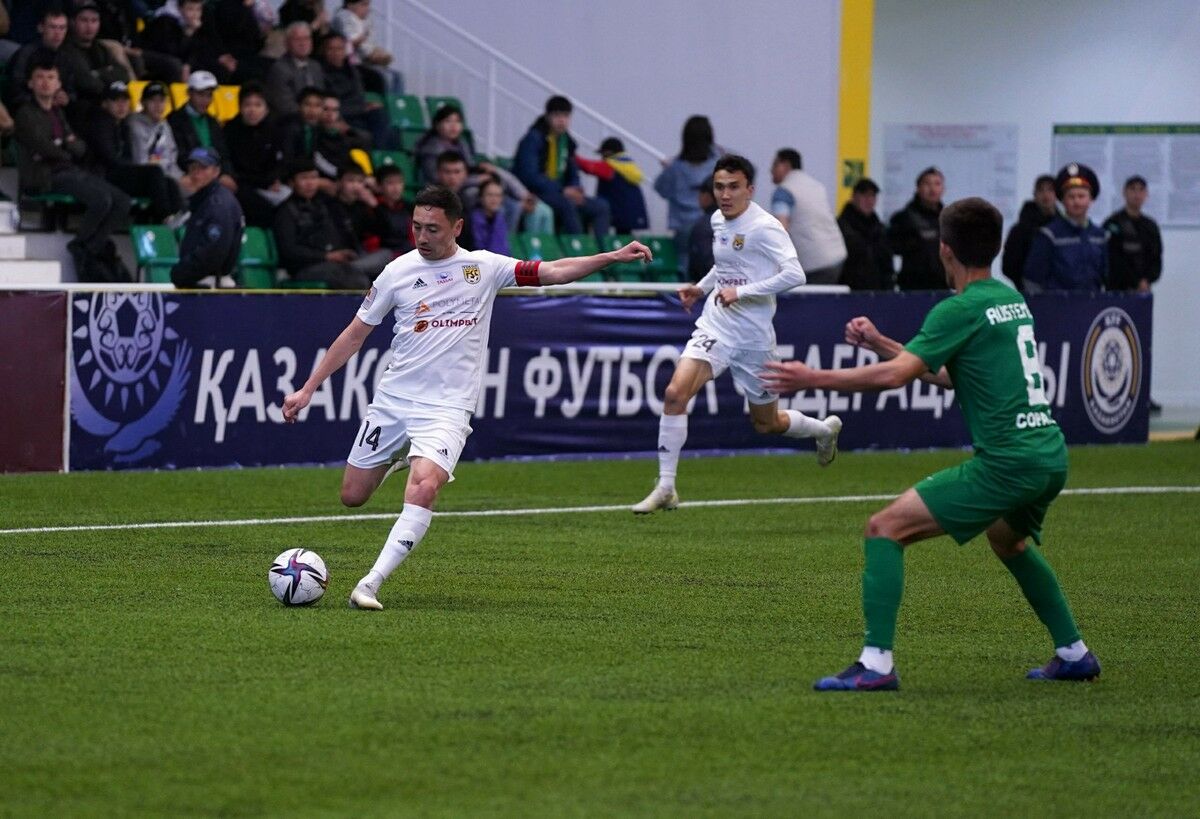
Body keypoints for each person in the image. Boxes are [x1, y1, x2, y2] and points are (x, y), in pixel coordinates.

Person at [762, 196, 1100, 691]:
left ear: (945, 250)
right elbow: (949, 374)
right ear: (996, 246)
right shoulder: (1009, 300)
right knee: (1007, 539)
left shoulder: (958, 308)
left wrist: (812, 377)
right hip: (1048, 455)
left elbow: (897, 378)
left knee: (884, 529)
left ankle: (876, 665)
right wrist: (882, 343)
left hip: (1007, 463)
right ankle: (1074, 653)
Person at [280, 184, 652, 610]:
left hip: (448, 408)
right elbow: (354, 335)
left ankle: (370, 583)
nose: (422, 236)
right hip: (394, 401)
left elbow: (553, 270)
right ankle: (403, 457)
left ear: (457, 227)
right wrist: (308, 388)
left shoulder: (484, 267)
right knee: (352, 496)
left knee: (425, 486)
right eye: (417, 226)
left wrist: (610, 257)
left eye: (432, 229)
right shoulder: (396, 272)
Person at [631, 155, 841, 514]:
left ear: (750, 189)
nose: (725, 195)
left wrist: (742, 292)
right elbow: (727, 265)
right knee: (675, 393)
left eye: (733, 187)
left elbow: (795, 274)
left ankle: (823, 431)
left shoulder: (765, 226)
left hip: (754, 338)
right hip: (716, 325)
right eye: (719, 187)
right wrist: (700, 288)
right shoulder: (718, 219)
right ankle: (665, 486)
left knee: (767, 424)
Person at [14, 59, 131, 282]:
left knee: (122, 201)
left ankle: (89, 247)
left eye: (50, 78)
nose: (45, 82)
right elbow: (43, 146)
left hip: (68, 170)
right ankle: (81, 245)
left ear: (58, 83)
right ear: (30, 83)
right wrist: (64, 146)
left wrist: (63, 145)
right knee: (101, 199)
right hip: (45, 175)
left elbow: (80, 147)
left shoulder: (58, 112)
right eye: (40, 77)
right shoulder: (25, 113)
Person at [273, 158, 387, 288]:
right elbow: (289, 251)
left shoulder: (324, 204)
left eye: (314, 178)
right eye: (304, 178)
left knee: (386, 259)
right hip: (307, 268)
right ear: (292, 182)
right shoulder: (285, 211)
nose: (310, 183)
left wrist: (342, 253)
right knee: (355, 278)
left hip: (337, 262)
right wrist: (327, 256)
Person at [82, 80, 184, 223]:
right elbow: (110, 158)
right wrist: (133, 168)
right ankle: (165, 217)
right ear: (105, 104)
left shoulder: (122, 124)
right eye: (116, 101)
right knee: (154, 172)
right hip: (103, 176)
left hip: (118, 173)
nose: (121, 105)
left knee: (168, 182)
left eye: (125, 100)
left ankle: (179, 216)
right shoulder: (101, 124)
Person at [513, 95, 611, 244]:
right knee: (567, 204)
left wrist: (576, 188)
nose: (562, 120)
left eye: (566, 116)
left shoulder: (567, 142)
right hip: (537, 192)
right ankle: (580, 250)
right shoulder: (533, 139)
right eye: (557, 115)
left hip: (561, 192)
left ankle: (603, 251)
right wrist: (562, 190)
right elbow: (529, 176)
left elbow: (573, 171)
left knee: (601, 206)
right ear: (548, 117)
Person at [1023, 163, 1106, 293]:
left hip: (1092, 304)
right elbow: (1032, 280)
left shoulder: (1100, 236)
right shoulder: (1049, 235)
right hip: (1057, 304)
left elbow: (1106, 277)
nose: (1076, 202)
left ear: (1090, 199)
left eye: (1081, 196)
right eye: (1071, 196)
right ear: (1062, 200)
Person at [654, 115, 720, 277]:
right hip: (711, 223)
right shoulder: (717, 165)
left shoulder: (675, 168)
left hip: (683, 226)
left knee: (685, 265)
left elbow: (660, 189)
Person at [769, 148, 847, 284]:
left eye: (775, 164)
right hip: (838, 256)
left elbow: (781, 230)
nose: (771, 170)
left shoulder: (784, 192)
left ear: (785, 165)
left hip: (815, 263)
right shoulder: (816, 186)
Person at [170, 147, 244, 289]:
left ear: (216, 171)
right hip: (204, 282)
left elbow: (213, 252)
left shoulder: (217, 204)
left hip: (209, 285)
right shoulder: (204, 201)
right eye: (193, 167)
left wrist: (181, 273)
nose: (196, 173)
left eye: (203, 168)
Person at [223, 81, 289, 227]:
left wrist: (276, 179)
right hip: (242, 185)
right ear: (240, 107)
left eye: (258, 105)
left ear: (266, 109)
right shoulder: (230, 130)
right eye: (247, 105)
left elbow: (281, 163)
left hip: (268, 185)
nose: (252, 110)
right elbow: (231, 165)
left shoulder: (274, 130)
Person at [317, 29, 393, 149]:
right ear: (324, 51)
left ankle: (379, 155)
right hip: (342, 116)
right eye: (331, 49)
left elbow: (358, 96)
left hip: (359, 114)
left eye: (340, 49)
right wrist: (362, 108)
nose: (336, 53)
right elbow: (328, 104)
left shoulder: (353, 71)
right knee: (364, 133)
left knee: (380, 116)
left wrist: (366, 106)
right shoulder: (320, 73)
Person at [58, 0, 130, 125]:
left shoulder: (101, 48)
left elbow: (124, 74)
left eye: (94, 21)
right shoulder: (67, 50)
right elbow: (88, 83)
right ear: (73, 22)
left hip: (109, 105)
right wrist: (108, 73)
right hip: (84, 112)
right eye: (84, 20)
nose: (89, 26)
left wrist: (97, 73)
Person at [167, 70, 236, 191]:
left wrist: (226, 174)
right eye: (200, 95)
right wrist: (207, 172)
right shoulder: (175, 120)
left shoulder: (212, 121)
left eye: (209, 95)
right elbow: (181, 156)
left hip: (214, 175)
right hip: (192, 176)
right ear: (189, 93)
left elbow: (223, 153)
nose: (205, 100)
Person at [6, 8, 75, 113]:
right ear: (41, 28)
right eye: (52, 27)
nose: (57, 33)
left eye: (62, 28)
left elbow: (72, 90)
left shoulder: (66, 56)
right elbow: (14, 91)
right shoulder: (26, 54)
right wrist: (42, 100)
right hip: (27, 110)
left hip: (58, 110)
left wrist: (67, 98)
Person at [888, 166, 946, 290]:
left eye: (937, 184)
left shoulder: (948, 219)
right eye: (927, 184)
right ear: (918, 188)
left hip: (942, 287)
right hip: (913, 287)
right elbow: (892, 248)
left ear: (943, 189)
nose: (932, 189)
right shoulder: (903, 218)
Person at [576, 137, 649, 235]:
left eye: (602, 154)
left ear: (608, 152)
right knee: (625, 237)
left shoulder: (611, 166)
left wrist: (571, 155)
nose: (601, 158)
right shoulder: (629, 165)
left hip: (618, 211)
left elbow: (587, 166)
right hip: (631, 212)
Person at [1103, 175, 1162, 293]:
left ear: (1146, 194)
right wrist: (1135, 281)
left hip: (1143, 289)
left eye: (1141, 190)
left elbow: (1156, 258)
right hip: (1117, 289)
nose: (1137, 194)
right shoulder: (1113, 223)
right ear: (1124, 193)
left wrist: (1147, 280)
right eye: (1133, 189)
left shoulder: (1150, 226)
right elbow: (1112, 258)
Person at [331, 0, 402, 95]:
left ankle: (398, 103)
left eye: (368, 5)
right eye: (364, 5)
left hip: (364, 61)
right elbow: (353, 41)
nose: (368, 8)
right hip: (351, 64)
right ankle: (387, 103)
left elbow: (370, 44)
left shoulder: (364, 20)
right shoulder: (343, 16)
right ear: (350, 5)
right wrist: (375, 55)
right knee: (386, 77)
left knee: (398, 76)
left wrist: (379, 53)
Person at [1001, 175, 1057, 292]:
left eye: (1050, 190)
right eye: (1041, 190)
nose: (1046, 195)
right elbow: (1009, 265)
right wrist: (1024, 284)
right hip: (1029, 293)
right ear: (1035, 195)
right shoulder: (1020, 230)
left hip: (1061, 294)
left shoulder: (1064, 228)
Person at [127, 81, 186, 193]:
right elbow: (142, 163)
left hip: (169, 175)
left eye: (161, 101)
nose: (158, 105)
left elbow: (172, 157)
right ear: (143, 102)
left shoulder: (164, 124)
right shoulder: (135, 125)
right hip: (148, 178)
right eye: (153, 100)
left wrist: (182, 177)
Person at [837, 177, 893, 290]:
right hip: (849, 290)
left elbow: (887, 264)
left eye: (872, 196)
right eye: (864, 195)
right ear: (854, 196)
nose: (869, 200)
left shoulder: (880, 229)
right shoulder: (840, 227)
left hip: (877, 292)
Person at [265, 21, 324, 119]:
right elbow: (285, 106)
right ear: (287, 43)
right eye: (297, 39)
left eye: (306, 38)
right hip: (291, 121)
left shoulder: (316, 66)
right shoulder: (280, 69)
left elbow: (322, 98)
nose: (303, 43)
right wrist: (313, 116)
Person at [434, 151, 476, 250]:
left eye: (457, 172)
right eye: (447, 172)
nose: (452, 177)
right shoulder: (428, 203)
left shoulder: (469, 203)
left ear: (465, 174)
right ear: (438, 173)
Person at [369, 163, 413, 257]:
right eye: (390, 183)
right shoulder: (373, 208)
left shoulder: (409, 207)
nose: (396, 187)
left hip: (407, 252)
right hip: (384, 254)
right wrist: (377, 209)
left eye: (399, 182)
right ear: (379, 186)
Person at [685, 174, 717, 283]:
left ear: (708, 196)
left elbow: (703, 262)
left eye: (701, 193)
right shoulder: (738, 219)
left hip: (709, 286)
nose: (698, 197)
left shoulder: (704, 225)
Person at [470, 177, 509, 254]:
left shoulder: (500, 219)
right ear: (481, 197)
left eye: (498, 195)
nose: (494, 199)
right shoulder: (472, 219)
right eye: (489, 195)